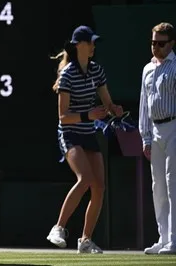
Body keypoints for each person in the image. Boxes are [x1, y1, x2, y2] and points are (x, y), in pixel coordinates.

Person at [47, 26, 123, 253]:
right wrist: (88, 115)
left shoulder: (97, 70)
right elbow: (63, 116)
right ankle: (58, 227)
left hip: (88, 132)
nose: (93, 47)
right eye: (90, 42)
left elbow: (107, 102)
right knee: (85, 179)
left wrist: (114, 109)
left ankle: (85, 240)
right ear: (79, 45)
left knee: (99, 186)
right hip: (69, 133)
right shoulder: (67, 75)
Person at [139, 22, 176, 255]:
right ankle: (163, 238)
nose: (156, 47)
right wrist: (145, 137)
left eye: (161, 43)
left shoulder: (175, 67)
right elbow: (144, 103)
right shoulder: (147, 69)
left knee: (173, 184)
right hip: (155, 129)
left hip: (174, 125)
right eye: (153, 42)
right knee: (158, 186)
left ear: (171, 44)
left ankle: (174, 239)